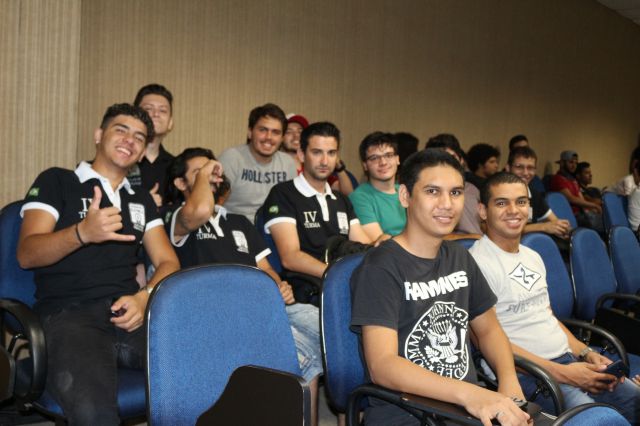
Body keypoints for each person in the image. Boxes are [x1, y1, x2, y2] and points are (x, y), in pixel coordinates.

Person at [17, 103, 180, 425]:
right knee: (95, 413)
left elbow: (168, 261)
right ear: (98, 135)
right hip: (69, 314)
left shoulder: (140, 199)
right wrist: (81, 233)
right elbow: (27, 253)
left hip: (128, 311)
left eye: (139, 137)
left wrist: (145, 297)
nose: (130, 140)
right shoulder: (58, 180)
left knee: (201, 371)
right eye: (121, 130)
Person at [350, 150, 530, 426]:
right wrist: (470, 394)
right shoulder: (380, 266)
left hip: (465, 409)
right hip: (406, 413)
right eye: (432, 191)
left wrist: (508, 382)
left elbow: (489, 330)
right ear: (405, 196)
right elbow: (382, 365)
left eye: (456, 193)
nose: (447, 204)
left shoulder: (459, 256)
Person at [164, 147, 323, 426]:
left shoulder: (238, 221)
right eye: (199, 172)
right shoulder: (176, 218)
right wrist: (206, 173)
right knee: (300, 355)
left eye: (212, 170)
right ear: (180, 182)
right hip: (218, 315)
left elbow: (266, 269)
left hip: (262, 306)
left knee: (324, 325)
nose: (211, 176)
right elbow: (199, 210)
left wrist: (279, 286)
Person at [469, 172, 640, 423]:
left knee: (636, 401)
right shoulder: (476, 264)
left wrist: (584, 352)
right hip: (528, 373)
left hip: (567, 360)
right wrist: (566, 374)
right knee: (601, 420)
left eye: (521, 202)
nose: (514, 210)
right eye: (502, 203)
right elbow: (486, 343)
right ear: (483, 211)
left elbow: (547, 316)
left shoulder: (532, 256)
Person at [262, 121, 371, 304]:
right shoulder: (283, 194)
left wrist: (381, 246)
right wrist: (338, 275)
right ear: (301, 154)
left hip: (345, 287)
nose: (324, 161)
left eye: (331, 153)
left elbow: (364, 245)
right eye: (317, 152)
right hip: (306, 293)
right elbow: (290, 257)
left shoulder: (341, 200)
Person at [219, 103, 297, 222]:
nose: (269, 137)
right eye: (263, 130)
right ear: (250, 132)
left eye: (275, 132)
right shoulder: (231, 158)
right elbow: (214, 205)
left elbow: (291, 208)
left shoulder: (288, 163)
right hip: (235, 228)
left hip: (275, 228)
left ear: (282, 138)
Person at [349, 131, 405, 242]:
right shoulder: (360, 197)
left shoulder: (406, 191)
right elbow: (380, 243)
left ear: (397, 159)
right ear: (365, 165)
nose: (383, 162)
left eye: (388, 155)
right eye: (374, 158)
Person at [505, 146, 571, 239]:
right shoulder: (499, 194)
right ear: (508, 168)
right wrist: (543, 227)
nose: (525, 173)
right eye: (519, 167)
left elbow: (554, 221)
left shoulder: (534, 194)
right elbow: (505, 229)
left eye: (530, 168)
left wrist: (562, 228)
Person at [425, 133, 483, 236]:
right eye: (440, 159)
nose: (447, 164)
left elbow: (483, 224)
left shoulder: (473, 189)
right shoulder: (426, 193)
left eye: (452, 158)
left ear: (461, 160)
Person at [129, 83, 175, 207]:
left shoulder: (176, 167)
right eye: (148, 109)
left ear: (170, 123)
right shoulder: (120, 159)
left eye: (162, 110)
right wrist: (142, 202)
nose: (155, 114)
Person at [549, 150, 603, 232]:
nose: (574, 165)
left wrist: (591, 209)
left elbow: (581, 199)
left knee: (604, 218)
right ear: (562, 163)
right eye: (571, 162)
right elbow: (571, 198)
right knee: (604, 224)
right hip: (571, 216)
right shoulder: (558, 179)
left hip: (581, 214)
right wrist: (594, 205)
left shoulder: (573, 180)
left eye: (576, 163)